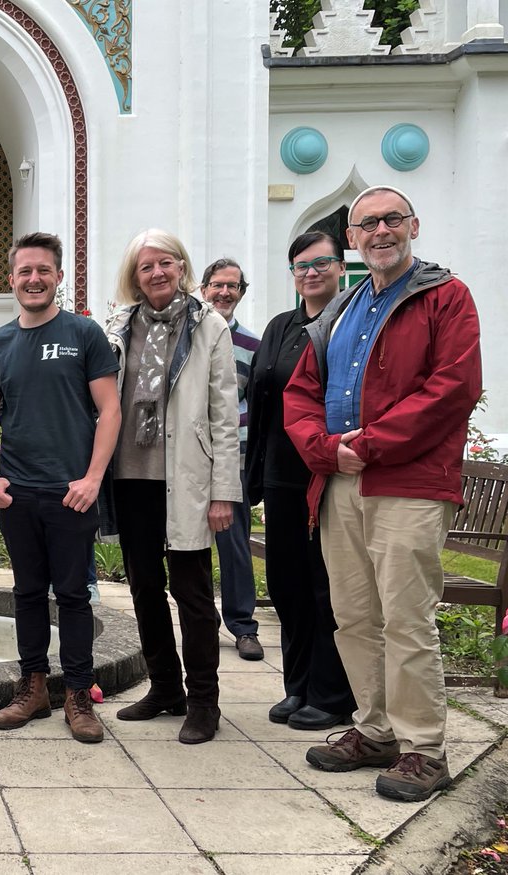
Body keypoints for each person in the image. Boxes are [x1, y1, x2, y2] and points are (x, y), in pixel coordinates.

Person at [284, 186, 481, 802]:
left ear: (413, 226)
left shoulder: (445, 296)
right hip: (340, 481)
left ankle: (424, 747)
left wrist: (367, 444)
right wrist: (323, 448)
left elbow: (453, 387)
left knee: (406, 617)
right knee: (355, 616)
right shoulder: (340, 309)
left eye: (392, 219)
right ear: (352, 239)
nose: (380, 231)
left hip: (408, 482)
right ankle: (375, 730)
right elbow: (301, 391)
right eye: (367, 224)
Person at [0, 232, 121, 744]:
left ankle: (78, 694)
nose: (34, 279)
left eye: (43, 270)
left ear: (59, 277)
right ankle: (33, 687)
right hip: (18, 492)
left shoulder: (84, 333)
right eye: (25, 271)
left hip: (71, 492)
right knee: (27, 594)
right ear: (12, 279)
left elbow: (110, 410)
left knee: (74, 596)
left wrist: (92, 478)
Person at [105, 230, 241, 745]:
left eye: (166, 263)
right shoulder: (120, 325)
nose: (157, 273)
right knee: (144, 587)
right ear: (134, 276)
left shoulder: (208, 326)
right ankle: (165, 687)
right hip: (131, 476)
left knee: (192, 593)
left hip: (186, 478)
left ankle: (204, 702)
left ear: (182, 267)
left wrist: (223, 491)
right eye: (146, 267)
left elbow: (224, 415)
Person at [245, 232, 356, 731]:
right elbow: (260, 403)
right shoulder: (281, 326)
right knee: (287, 584)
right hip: (281, 476)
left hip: (327, 474)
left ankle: (331, 694)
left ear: (341, 267)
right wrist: (254, 475)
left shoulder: (349, 323)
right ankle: (298, 685)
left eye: (321, 263)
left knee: (326, 585)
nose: (310, 273)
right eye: (301, 266)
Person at [200, 258, 263, 661]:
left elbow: (256, 408)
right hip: (189, 460)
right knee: (188, 547)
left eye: (233, 286)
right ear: (203, 289)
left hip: (233, 460)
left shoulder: (252, 346)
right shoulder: (189, 336)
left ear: (241, 292)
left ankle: (243, 626)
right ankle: (201, 621)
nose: (225, 292)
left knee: (235, 544)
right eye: (218, 285)